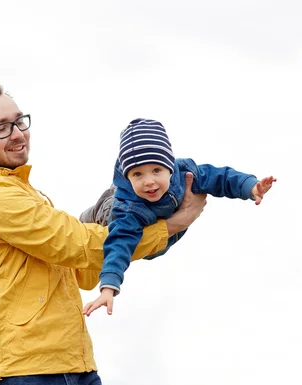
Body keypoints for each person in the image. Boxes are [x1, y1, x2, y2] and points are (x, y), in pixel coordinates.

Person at [0, 82, 208, 385]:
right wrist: (174, 224)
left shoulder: (26, 194)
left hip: (76, 366)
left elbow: (82, 274)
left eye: (19, 121)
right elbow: (76, 244)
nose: (18, 134)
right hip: (23, 376)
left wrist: (118, 219)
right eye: (1, 128)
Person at [81, 118, 276, 317]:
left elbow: (220, 177)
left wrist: (251, 187)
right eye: (137, 174)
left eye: (156, 170)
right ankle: (90, 214)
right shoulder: (128, 208)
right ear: (128, 177)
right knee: (105, 220)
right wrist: (108, 287)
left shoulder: (185, 175)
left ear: (169, 168)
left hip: (158, 234)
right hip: (112, 213)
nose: (149, 181)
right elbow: (119, 244)